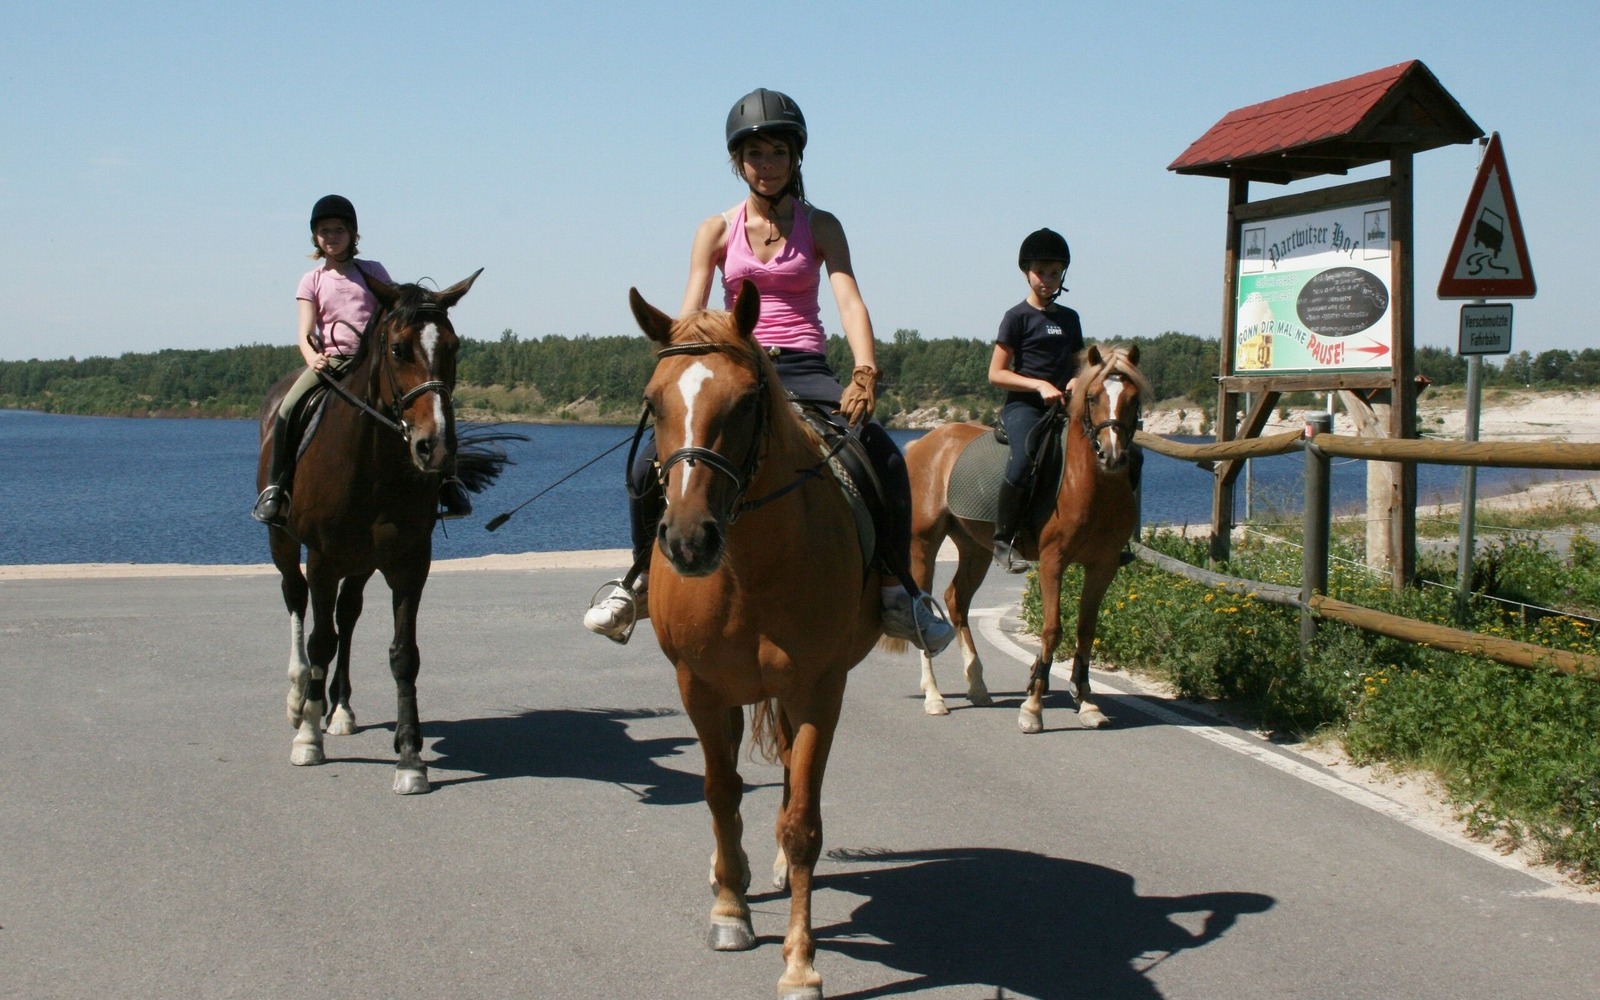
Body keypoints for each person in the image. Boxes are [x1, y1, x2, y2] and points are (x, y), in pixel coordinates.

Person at [583, 88, 955, 654]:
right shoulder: (715, 229)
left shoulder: (821, 225)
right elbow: (691, 312)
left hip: (804, 365)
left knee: (883, 456)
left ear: (795, 156)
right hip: (735, 365)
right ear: (738, 161)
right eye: (754, 153)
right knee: (642, 466)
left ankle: (896, 590)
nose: (767, 163)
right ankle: (639, 579)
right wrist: (678, 373)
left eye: (778, 152)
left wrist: (865, 370)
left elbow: (849, 299)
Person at [251, 194, 472, 525]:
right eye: (324, 231)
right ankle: (276, 488)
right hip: (331, 362)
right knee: (287, 409)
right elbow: (305, 331)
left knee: (430, 408)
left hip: (374, 362)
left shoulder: (372, 270)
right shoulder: (311, 280)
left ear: (353, 234)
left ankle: (447, 481)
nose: (331, 237)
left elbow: (397, 313)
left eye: (339, 230)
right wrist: (312, 357)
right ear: (315, 237)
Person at [987, 228, 1084, 572]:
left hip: (1065, 406)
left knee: (1112, 451)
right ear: (1027, 272)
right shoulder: (1016, 317)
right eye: (1041, 272)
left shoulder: (1070, 318)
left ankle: (1111, 537)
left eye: (1054, 273)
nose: (1047, 279)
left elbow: (1078, 364)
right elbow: (996, 374)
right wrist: (1039, 385)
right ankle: (1003, 540)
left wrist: (1077, 379)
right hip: (1024, 406)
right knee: (1024, 459)